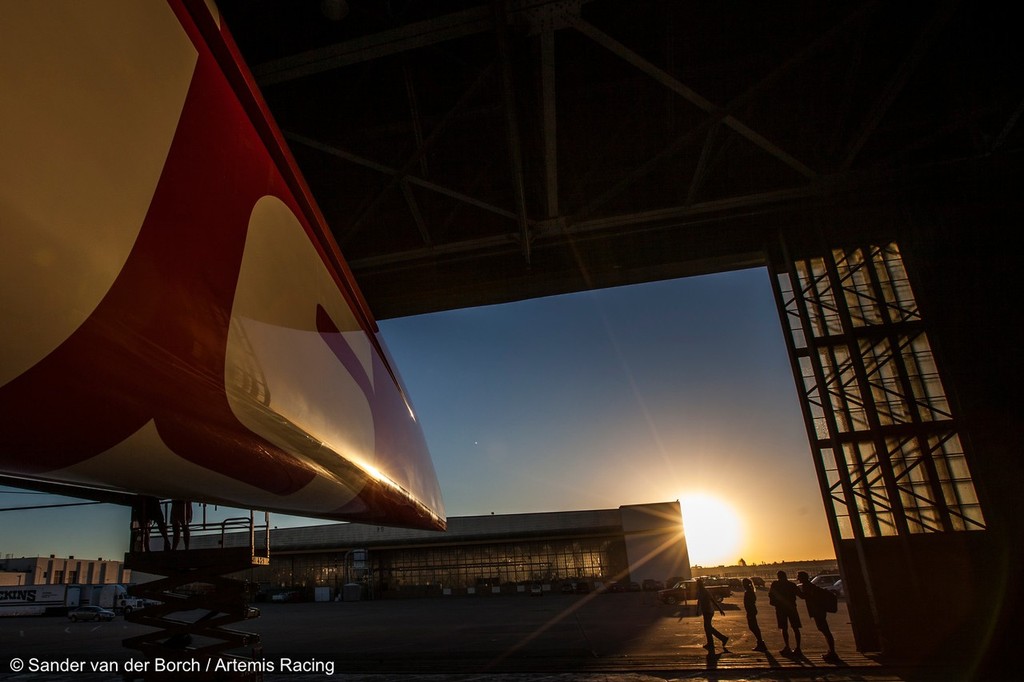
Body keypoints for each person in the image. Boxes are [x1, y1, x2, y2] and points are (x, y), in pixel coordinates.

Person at [797, 571, 839, 662]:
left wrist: (795, 591)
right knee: (824, 630)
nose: (798, 579)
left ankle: (832, 652)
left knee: (825, 630)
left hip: (818, 611)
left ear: (803, 578)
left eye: (799, 577)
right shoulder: (810, 585)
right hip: (819, 611)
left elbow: (804, 596)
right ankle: (831, 651)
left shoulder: (807, 586)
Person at [768, 570, 802, 656]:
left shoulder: (775, 584)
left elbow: (771, 595)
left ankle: (787, 646)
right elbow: (801, 595)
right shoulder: (792, 585)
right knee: (795, 628)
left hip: (780, 609)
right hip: (792, 608)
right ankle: (798, 647)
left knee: (784, 628)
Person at [696, 578, 729, 654]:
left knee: (708, 627)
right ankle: (711, 643)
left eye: (698, 584)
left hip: (709, 611)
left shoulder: (705, 591)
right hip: (705, 611)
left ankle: (722, 638)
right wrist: (697, 610)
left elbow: (713, 600)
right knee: (707, 627)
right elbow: (699, 601)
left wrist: (720, 609)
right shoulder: (700, 592)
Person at [742, 577, 768, 652]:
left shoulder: (748, 592)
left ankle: (760, 642)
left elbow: (749, 603)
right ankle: (760, 642)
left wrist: (749, 612)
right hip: (752, 610)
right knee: (753, 626)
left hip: (751, 611)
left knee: (753, 626)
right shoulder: (750, 591)